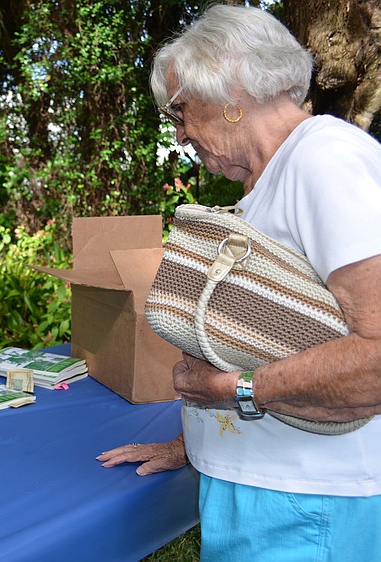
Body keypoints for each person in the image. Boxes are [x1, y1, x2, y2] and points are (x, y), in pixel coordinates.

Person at [97, 4, 381, 561]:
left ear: (230, 89)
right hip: (276, 492)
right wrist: (191, 442)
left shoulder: (325, 160)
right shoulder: (275, 179)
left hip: (308, 499)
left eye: (180, 112)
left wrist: (234, 392)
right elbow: (280, 339)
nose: (178, 135)